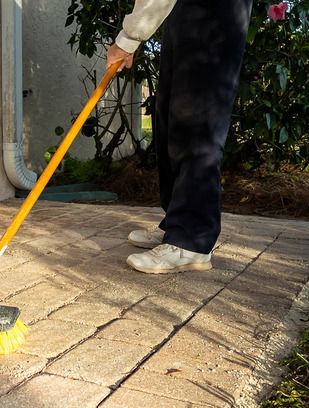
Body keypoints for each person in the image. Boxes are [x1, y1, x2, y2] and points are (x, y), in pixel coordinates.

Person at [106, 0, 253, 274]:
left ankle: (191, 239)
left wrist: (129, 38)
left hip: (213, 11)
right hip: (183, 9)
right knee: (171, 116)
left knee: (197, 121)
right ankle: (176, 222)